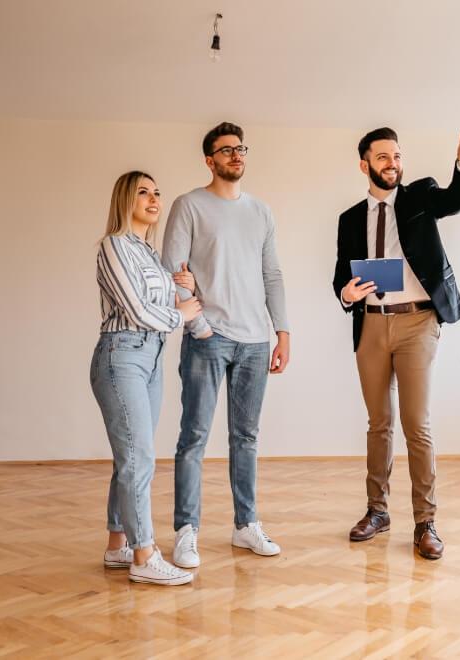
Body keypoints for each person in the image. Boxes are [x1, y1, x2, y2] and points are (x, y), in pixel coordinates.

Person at [333, 117, 460, 560]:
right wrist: (345, 291)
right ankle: (376, 511)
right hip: (372, 324)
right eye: (383, 157)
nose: (393, 163)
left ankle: (426, 522)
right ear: (365, 166)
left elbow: (456, 199)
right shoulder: (350, 218)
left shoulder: (419, 196)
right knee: (378, 424)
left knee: (416, 425)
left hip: (418, 323)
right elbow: (342, 270)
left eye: (397, 156)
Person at [161, 122, 291, 568]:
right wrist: (198, 328)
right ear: (209, 159)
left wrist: (283, 333)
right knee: (193, 436)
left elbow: (272, 274)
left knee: (246, 437)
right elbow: (171, 270)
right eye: (226, 150)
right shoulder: (188, 206)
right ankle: (186, 531)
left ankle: (245, 525)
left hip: (256, 341)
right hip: (209, 339)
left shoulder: (261, 212)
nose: (236, 156)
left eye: (240, 149)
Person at [91, 171, 203, 585]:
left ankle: (117, 544)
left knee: (133, 457)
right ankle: (143, 555)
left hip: (150, 356)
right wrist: (180, 314)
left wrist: (184, 288)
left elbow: (167, 301)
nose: (154, 199)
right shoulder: (113, 245)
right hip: (122, 355)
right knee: (139, 459)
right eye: (144, 192)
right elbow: (137, 310)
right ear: (125, 199)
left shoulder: (149, 253)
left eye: (157, 192)